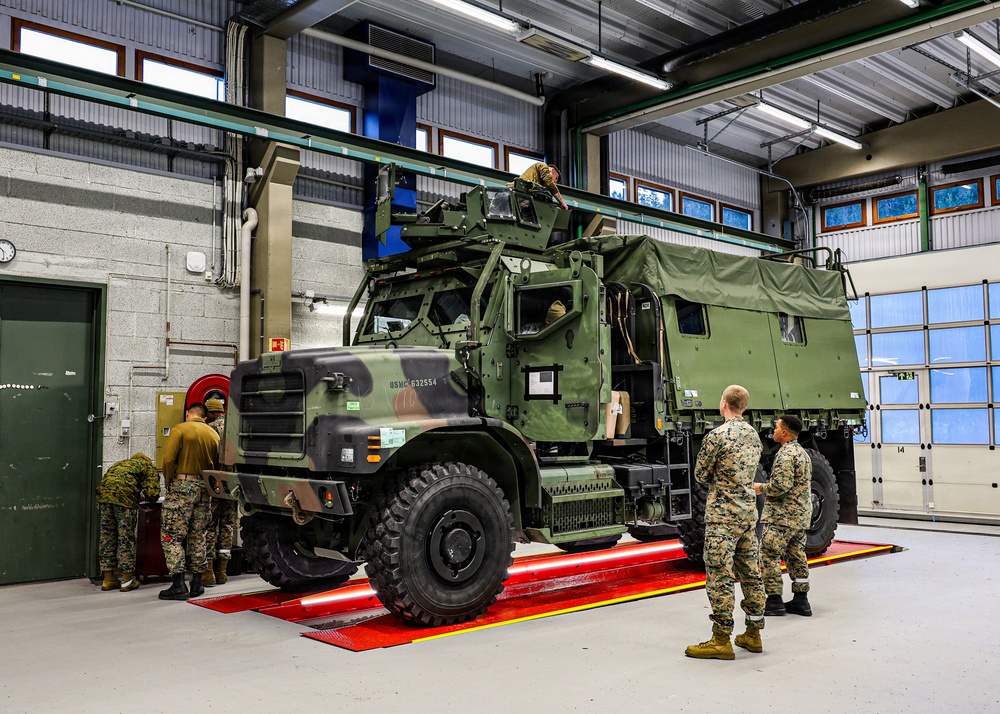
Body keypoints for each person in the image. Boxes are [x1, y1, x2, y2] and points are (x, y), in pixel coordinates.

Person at [685, 384, 766, 660]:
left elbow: (701, 475)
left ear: (723, 404)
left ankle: (721, 640)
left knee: (720, 576)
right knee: (750, 574)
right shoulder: (754, 436)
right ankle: (753, 633)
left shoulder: (717, 436)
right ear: (744, 407)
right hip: (748, 516)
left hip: (723, 519)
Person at [158, 402, 220, 601]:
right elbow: (218, 465)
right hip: (204, 488)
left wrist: (169, 482)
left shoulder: (180, 429)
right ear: (204, 417)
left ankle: (178, 585)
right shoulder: (213, 435)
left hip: (182, 486)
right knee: (198, 535)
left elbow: (168, 460)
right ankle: (196, 584)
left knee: (172, 535)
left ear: (187, 414)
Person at [755, 414, 813, 617]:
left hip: (782, 517)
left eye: (777, 427)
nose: (774, 430)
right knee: (796, 555)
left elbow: (781, 486)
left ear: (785, 432)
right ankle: (801, 600)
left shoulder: (786, 454)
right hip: (799, 516)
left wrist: (760, 487)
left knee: (769, 554)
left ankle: (774, 601)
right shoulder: (802, 453)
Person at [96, 452, 160, 593]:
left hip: (104, 497)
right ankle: (127, 581)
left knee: (107, 537)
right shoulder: (147, 466)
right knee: (126, 538)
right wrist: (144, 497)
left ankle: (108, 579)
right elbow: (153, 494)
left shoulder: (121, 464)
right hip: (124, 500)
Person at [201, 397, 238, 587]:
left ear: (209, 413)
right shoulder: (235, 426)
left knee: (209, 525)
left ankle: (208, 571)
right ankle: (222, 571)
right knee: (227, 525)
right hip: (233, 485)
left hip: (214, 484)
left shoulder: (209, 429)